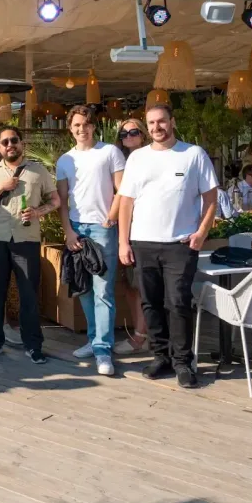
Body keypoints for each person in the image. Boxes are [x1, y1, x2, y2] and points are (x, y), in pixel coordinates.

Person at [118, 103, 218, 389]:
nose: (156, 128)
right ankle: (160, 356)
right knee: (150, 302)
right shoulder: (138, 158)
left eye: (161, 122)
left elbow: (211, 198)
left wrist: (201, 233)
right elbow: (126, 202)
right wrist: (124, 241)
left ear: (172, 122)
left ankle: (183, 362)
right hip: (143, 242)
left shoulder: (193, 155)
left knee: (178, 303)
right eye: (151, 124)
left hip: (180, 244)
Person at [0, 126, 59, 364]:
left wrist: (37, 212)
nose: (9, 145)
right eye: (4, 142)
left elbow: (55, 200)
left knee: (29, 295)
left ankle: (33, 345)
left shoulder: (38, 170)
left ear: (21, 143)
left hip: (27, 240)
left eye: (14, 140)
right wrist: (0, 188)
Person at [56, 105, 125, 376]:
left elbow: (123, 189)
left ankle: (103, 350)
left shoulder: (110, 152)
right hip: (77, 229)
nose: (81, 129)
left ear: (93, 125)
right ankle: (94, 340)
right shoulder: (65, 160)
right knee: (83, 288)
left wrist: (110, 218)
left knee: (104, 291)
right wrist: (68, 231)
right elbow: (62, 201)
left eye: (85, 124)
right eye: (76, 125)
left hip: (102, 228)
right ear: (70, 128)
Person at [111, 118, 149, 356]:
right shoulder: (121, 160)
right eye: (124, 134)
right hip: (124, 229)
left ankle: (141, 336)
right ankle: (141, 333)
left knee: (142, 285)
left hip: (144, 229)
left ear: (143, 134)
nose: (129, 137)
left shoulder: (150, 158)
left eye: (134, 132)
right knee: (129, 284)